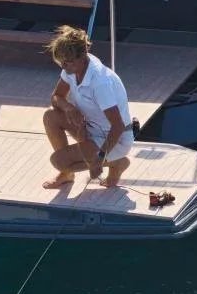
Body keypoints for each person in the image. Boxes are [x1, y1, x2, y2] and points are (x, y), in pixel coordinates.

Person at [41, 26, 135, 190]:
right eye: (61, 63)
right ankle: (67, 174)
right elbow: (56, 97)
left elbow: (118, 126)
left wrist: (99, 158)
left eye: (67, 63)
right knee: (50, 116)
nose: (63, 67)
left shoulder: (100, 83)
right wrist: (69, 108)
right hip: (90, 127)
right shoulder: (71, 69)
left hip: (116, 138)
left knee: (59, 161)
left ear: (82, 57)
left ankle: (116, 162)